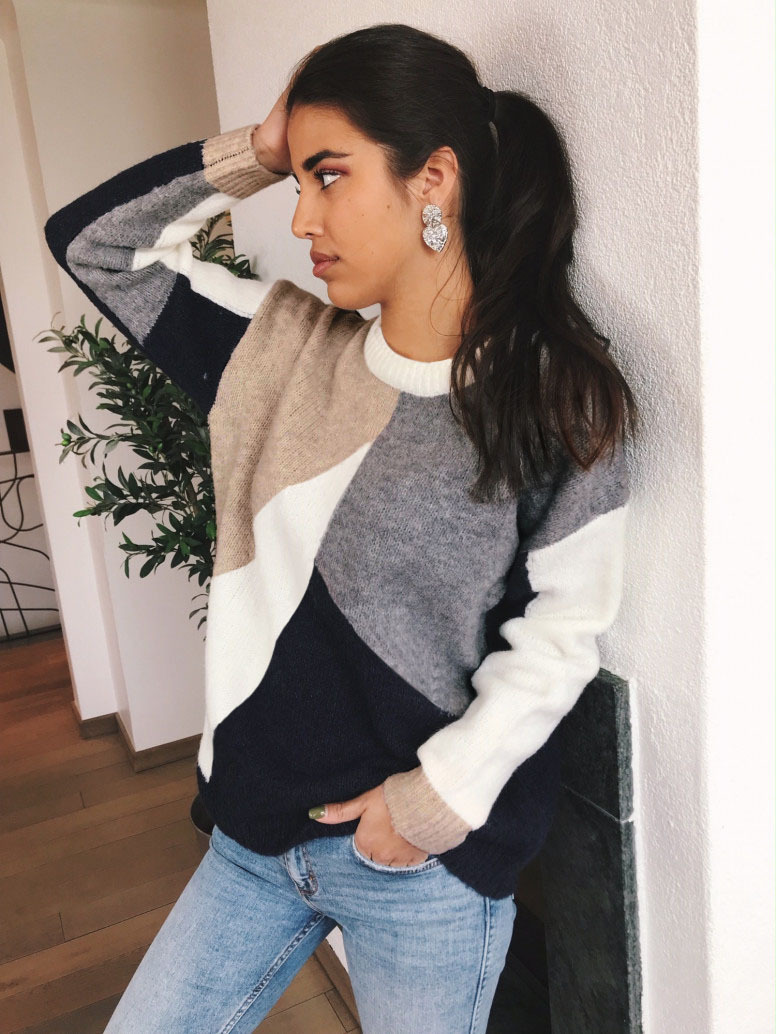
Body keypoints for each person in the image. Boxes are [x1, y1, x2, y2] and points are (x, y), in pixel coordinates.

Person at [43, 22, 638, 1034]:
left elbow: (563, 629)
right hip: (253, 838)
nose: (301, 215)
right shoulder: (274, 353)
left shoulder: (553, 397)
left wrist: (431, 802)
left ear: (432, 179)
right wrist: (260, 148)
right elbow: (93, 244)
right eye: (298, 181)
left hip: (419, 866)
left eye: (328, 176)